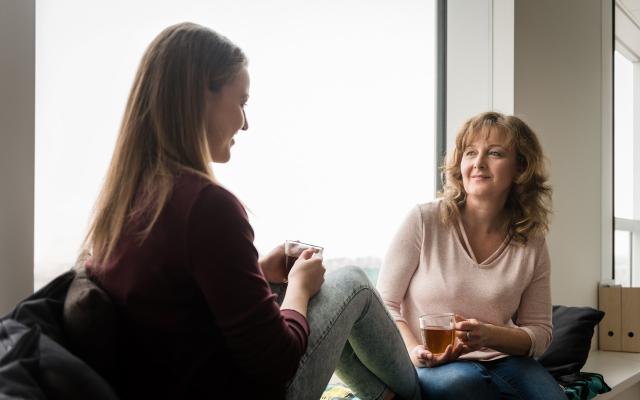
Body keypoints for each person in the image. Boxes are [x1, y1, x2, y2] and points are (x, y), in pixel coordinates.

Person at [83, 22, 420, 400]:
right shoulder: (207, 205)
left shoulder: (124, 202)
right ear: (201, 97)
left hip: (172, 379)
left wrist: (257, 272)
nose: (245, 123)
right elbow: (278, 364)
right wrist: (299, 288)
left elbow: (178, 302)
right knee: (353, 282)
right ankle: (423, 396)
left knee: (283, 289)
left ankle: (386, 398)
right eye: (241, 102)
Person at [377, 111, 566, 400]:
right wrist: (416, 352)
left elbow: (540, 333)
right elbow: (385, 304)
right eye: (470, 153)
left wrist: (490, 335)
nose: (478, 163)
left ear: (520, 168)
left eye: (494, 153)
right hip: (435, 361)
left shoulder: (532, 241)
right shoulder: (424, 220)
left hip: (504, 358)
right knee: (464, 386)